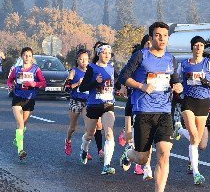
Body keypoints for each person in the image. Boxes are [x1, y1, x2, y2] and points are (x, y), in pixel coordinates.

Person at [119, 22, 183, 192]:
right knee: (142, 158)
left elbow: (175, 81)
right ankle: (129, 154)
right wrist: (141, 86)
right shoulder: (141, 56)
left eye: (165, 35)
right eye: (158, 35)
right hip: (143, 112)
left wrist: (178, 87)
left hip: (164, 112)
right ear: (151, 38)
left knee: (164, 152)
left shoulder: (171, 59)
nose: (162, 38)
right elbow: (123, 77)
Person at [176, 36, 210, 185]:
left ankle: (179, 130)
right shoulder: (184, 64)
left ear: (204, 48)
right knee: (193, 135)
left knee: (197, 140)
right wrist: (176, 87)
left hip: (204, 102)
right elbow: (176, 79)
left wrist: (209, 82)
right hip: (188, 101)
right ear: (192, 47)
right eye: (196, 45)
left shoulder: (208, 63)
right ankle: (196, 173)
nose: (198, 48)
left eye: (201, 45)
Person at [78, 43, 117, 175]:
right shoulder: (92, 68)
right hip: (93, 104)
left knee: (109, 133)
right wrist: (95, 81)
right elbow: (82, 88)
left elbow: (117, 83)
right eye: (104, 52)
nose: (107, 55)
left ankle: (106, 165)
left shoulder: (112, 68)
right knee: (89, 134)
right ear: (99, 54)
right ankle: (84, 149)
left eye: (109, 53)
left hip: (108, 104)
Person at [119, 34, 152, 178]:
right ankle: (129, 153)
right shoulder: (137, 58)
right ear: (143, 45)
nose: (150, 47)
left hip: (150, 106)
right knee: (130, 137)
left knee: (147, 139)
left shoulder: (160, 62)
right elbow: (124, 75)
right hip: (133, 102)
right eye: (148, 44)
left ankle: (146, 168)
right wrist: (123, 87)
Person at [6, 47, 46, 160]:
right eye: (25, 55)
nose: (27, 57)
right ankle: (20, 150)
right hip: (17, 98)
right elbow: (9, 80)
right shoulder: (17, 69)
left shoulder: (36, 70)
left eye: (29, 55)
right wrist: (10, 85)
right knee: (20, 125)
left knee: (24, 126)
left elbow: (43, 83)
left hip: (30, 99)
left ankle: (17, 139)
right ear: (21, 57)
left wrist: (34, 84)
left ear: (32, 58)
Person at [64, 49, 90, 156]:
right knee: (73, 127)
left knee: (89, 128)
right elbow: (66, 87)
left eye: (86, 59)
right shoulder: (74, 71)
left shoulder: (91, 72)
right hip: (75, 101)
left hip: (87, 102)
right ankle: (68, 141)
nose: (84, 61)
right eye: (81, 59)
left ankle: (85, 149)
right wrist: (77, 84)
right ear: (77, 60)